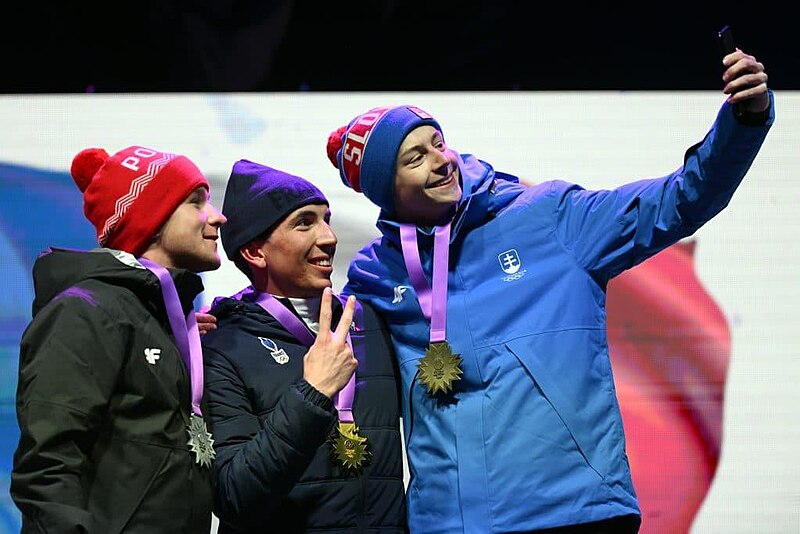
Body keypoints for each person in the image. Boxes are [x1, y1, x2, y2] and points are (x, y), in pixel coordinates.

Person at [324, 47, 773, 533]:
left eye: (438, 142)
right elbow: (320, 343)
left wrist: (743, 122)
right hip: (451, 523)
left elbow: (681, 198)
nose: (441, 160)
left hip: (573, 510)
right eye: (416, 157)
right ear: (386, 190)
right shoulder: (376, 272)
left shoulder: (549, 216)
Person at [11, 145, 226, 533]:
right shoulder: (85, 312)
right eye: (196, 202)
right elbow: (47, 469)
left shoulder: (166, 320)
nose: (217, 217)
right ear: (152, 218)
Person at [200, 159, 406, 533]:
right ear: (255, 252)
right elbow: (234, 496)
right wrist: (312, 393)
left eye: (326, 219)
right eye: (305, 222)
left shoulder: (371, 322)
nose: (328, 237)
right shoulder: (220, 345)